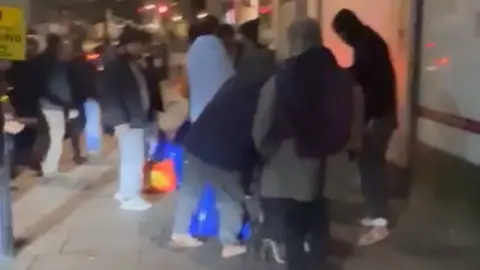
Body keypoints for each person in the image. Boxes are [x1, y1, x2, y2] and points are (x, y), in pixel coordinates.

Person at [253, 18, 362, 269]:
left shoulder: (280, 80)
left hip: (290, 165)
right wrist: (350, 155)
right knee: (321, 219)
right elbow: (355, 125)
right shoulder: (345, 79)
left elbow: (261, 128)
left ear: (294, 42)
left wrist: (269, 153)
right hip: (332, 164)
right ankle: (319, 260)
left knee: (294, 224)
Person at [170, 35, 265, 258]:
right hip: (224, 150)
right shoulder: (255, 90)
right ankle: (229, 242)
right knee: (229, 197)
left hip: (197, 139)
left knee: (190, 190)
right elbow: (254, 130)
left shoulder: (234, 83)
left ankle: (180, 231)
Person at [333, 8, 397, 246]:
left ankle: (380, 221)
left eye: (341, 33)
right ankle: (375, 214)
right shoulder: (368, 41)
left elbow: (363, 78)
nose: (342, 38)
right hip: (380, 116)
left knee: (372, 166)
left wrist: (339, 75)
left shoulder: (366, 44)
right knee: (369, 164)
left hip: (378, 118)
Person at [97, 27, 154, 211]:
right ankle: (130, 196)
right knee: (133, 159)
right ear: (130, 44)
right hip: (128, 119)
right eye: (141, 45)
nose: (143, 49)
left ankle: (124, 191)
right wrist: (119, 121)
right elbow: (109, 95)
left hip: (133, 116)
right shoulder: (116, 65)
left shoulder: (128, 62)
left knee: (130, 157)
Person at [36, 34, 83, 177]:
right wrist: (63, 103)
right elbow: (46, 87)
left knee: (54, 137)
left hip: (54, 105)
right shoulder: (49, 63)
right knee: (55, 137)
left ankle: (49, 167)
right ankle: (49, 168)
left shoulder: (55, 62)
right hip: (52, 106)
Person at [70, 38, 100, 160]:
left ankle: (77, 151)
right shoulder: (88, 63)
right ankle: (91, 148)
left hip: (76, 97)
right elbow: (96, 78)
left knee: (76, 126)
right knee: (91, 123)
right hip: (89, 97)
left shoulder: (69, 65)